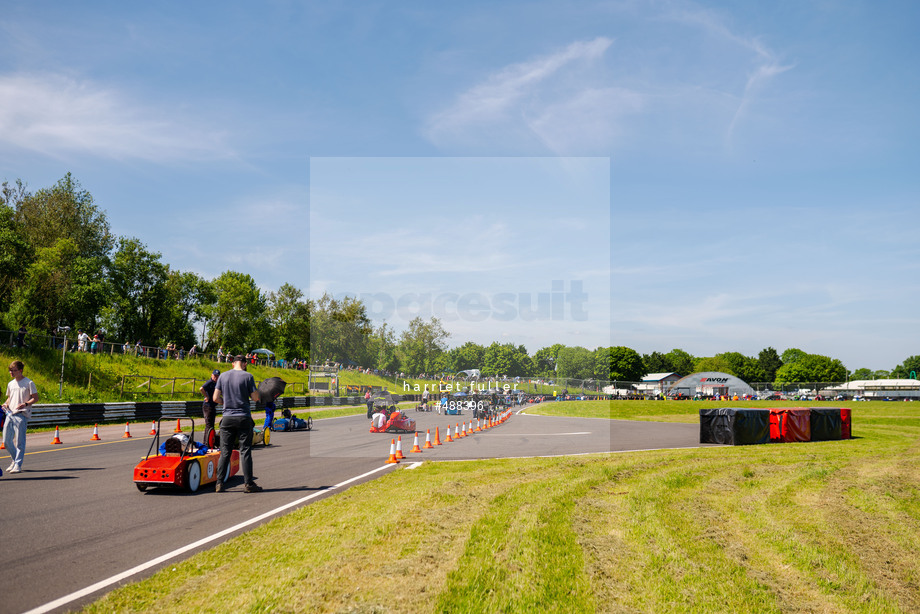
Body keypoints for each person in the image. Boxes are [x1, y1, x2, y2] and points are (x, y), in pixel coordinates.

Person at [213, 355, 261, 493]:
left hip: (227, 418)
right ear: (244, 364)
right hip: (243, 417)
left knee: (225, 451)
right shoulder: (248, 376)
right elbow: (255, 397)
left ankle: (219, 483)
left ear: (233, 363)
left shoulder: (222, 376)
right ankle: (249, 484)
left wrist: (225, 402)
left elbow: (215, 398)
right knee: (245, 450)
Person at [2, 360, 38, 474]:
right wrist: (6, 403)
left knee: (20, 442)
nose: (11, 373)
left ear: (20, 370)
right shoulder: (10, 384)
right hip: (10, 414)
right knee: (6, 442)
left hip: (21, 414)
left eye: (14, 370)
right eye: (10, 371)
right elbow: (9, 397)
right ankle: (14, 459)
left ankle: (18, 464)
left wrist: (26, 404)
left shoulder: (29, 383)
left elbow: (35, 398)